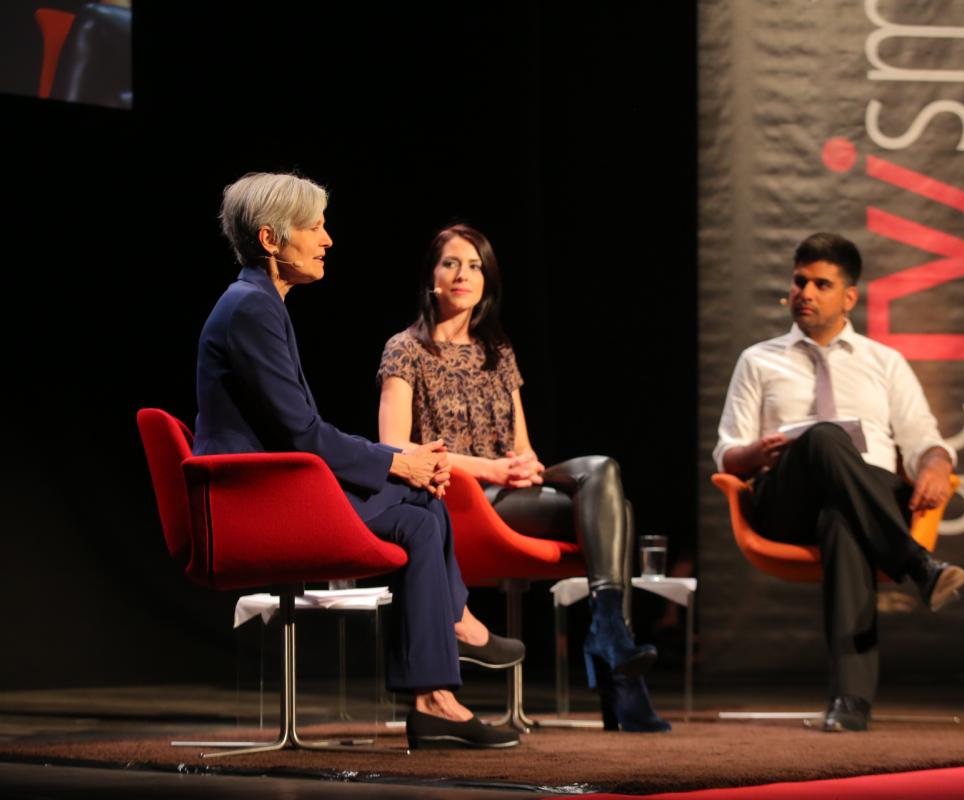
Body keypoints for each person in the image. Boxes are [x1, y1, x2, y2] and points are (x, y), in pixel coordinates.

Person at [194, 173, 522, 749]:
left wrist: (402, 461)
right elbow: (304, 434)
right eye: (314, 227)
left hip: (277, 489)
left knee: (420, 518)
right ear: (270, 239)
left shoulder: (261, 303)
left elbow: (302, 431)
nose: (327, 239)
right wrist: (398, 462)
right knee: (420, 495)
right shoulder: (251, 309)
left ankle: (435, 696)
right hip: (256, 503)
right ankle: (455, 627)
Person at [377, 223, 670, 733]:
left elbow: (522, 444)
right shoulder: (405, 349)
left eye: (475, 266)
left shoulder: (498, 351)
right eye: (451, 263)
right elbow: (394, 447)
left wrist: (527, 465)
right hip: (459, 496)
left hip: (510, 490)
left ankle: (609, 635)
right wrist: (491, 469)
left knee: (602, 472)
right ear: (431, 278)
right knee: (616, 513)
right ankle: (617, 668)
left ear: (486, 280)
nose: (463, 274)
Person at [713, 232, 964, 733]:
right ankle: (916, 564)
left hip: (865, 495)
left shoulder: (884, 361)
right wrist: (755, 453)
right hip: (787, 500)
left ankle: (851, 701)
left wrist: (938, 464)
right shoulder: (758, 359)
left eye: (821, 284)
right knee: (825, 436)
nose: (805, 292)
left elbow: (924, 440)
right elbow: (728, 452)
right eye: (799, 281)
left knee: (842, 519)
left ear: (849, 297)